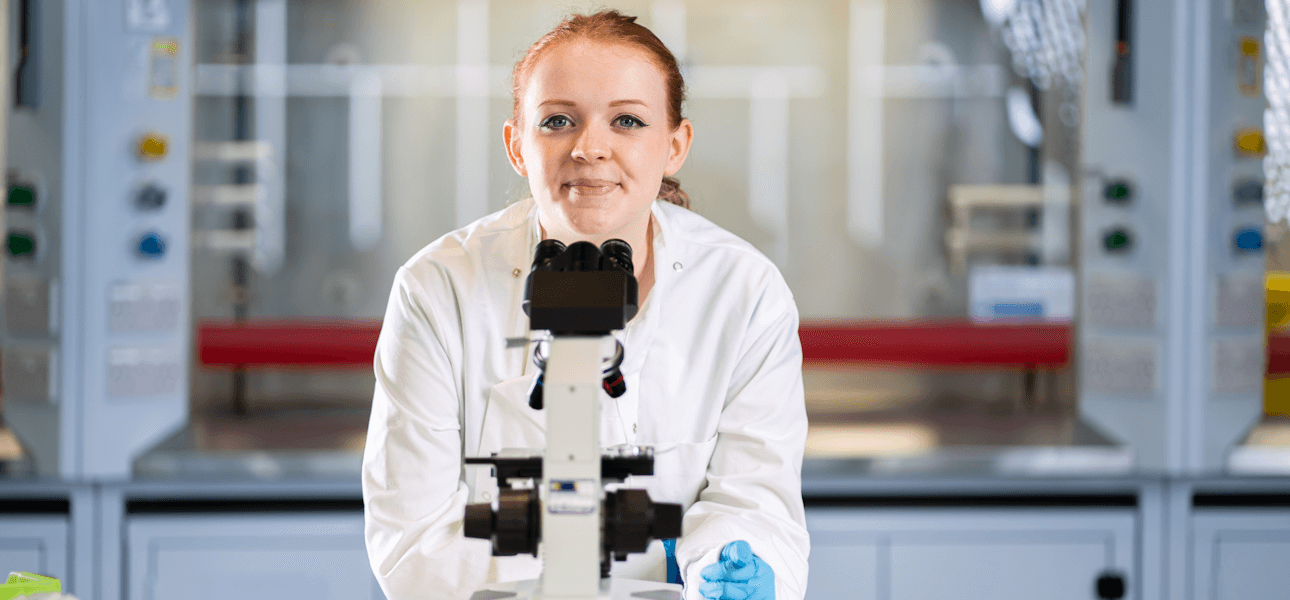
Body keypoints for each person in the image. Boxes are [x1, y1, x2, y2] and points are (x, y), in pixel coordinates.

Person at [362, 10, 809, 600]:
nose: (591, 147)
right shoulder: (438, 290)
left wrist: (735, 563)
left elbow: (754, 499)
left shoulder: (743, 292)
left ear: (674, 145)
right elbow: (416, 539)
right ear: (516, 145)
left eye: (627, 120)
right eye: (557, 121)